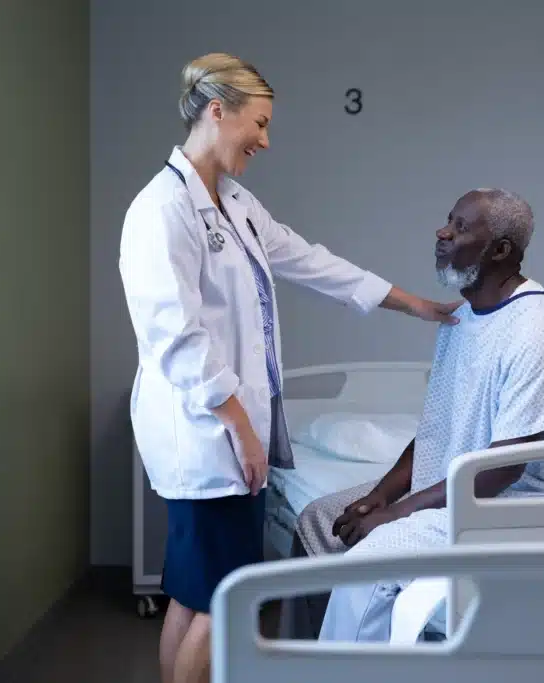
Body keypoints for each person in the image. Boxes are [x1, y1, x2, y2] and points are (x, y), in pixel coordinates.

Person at [118, 52, 461, 683]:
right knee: (221, 599)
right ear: (218, 111)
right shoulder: (160, 211)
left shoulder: (236, 204)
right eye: (261, 123)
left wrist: (416, 306)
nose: (267, 141)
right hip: (205, 434)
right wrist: (242, 429)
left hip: (223, 433)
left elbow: (313, 262)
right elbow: (175, 337)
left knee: (196, 594)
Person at [281, 188, 544, 643]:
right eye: (448, 221)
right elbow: (438, 428)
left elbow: (503, 469)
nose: (442, 233)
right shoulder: (462, 320)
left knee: (372, 559)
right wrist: (382, 495)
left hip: (529, 506)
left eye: (460, 227)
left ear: (501, 250)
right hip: (468, 487)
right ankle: (308, 664)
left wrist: (396, 515)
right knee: (319, 521)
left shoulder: (538, 329)